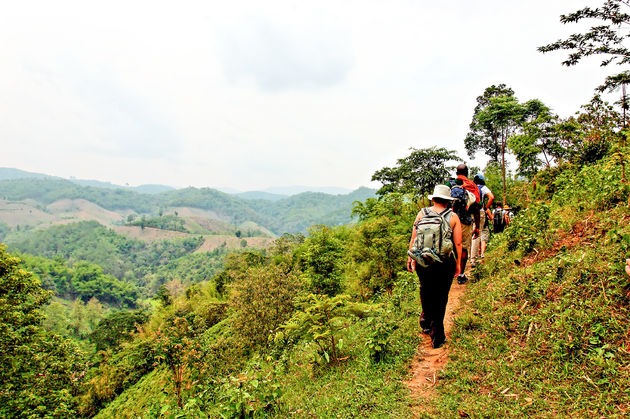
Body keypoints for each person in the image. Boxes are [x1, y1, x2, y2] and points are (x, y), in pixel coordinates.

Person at [407, 184, 462, 349]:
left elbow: (414, 237)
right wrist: (458, 264)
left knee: (425, 289)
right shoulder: (453, 217)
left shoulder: (422, 213)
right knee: (441, 296)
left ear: (434, 198)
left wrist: (411, 258)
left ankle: (426, 322)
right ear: (447, 201)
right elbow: (458, 243)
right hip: (444, 262)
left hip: (423, 260)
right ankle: (437, 336)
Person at [450, 164, 480, 284]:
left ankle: (452, 272)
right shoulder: (472, 187)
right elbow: (477, 208)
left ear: (456, 172)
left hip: (450, 220)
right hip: (465, 221)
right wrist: (477, 226)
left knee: (451, 247)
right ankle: (461, 274)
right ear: (467, 172)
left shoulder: (450, 184)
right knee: (463, 248)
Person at [471, 174, 494, 264]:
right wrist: (485, 207)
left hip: (470, 212)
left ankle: (469, 255)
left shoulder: (471, 188)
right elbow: (491, 197)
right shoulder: (483, 188)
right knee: (477, 233)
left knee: (471, 232)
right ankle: (473, 259)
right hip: (480, 212)